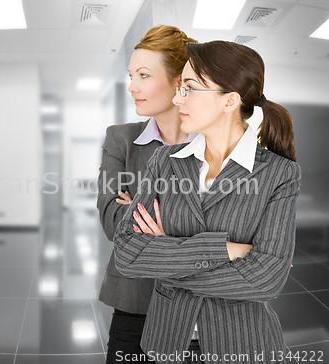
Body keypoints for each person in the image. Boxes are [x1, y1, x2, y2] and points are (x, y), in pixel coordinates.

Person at [113, 40, 301, 364]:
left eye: (188, 88)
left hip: (243, 344)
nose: (176, 99)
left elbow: (266, 280)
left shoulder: (280, 174)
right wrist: (226, 250)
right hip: (166, 340)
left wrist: (164, 253)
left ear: (229, 100)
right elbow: (127, 251)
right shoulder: (165, 159)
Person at [96, 25, 197, 363]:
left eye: (143, 75)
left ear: (179, 82)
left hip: (202, 305)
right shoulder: (120, 139)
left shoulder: (213, 141)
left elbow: (236, 226)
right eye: (130, 75)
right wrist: (191, 218)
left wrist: (140, 204)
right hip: (136, 301)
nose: (131, 87)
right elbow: (113, 223)